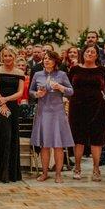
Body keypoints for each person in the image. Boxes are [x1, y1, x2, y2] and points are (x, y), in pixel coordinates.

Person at [68, 44, 105, 181]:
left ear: (97, 55)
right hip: (77, 107)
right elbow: (68, 87)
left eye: (93, 52)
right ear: (83, 53)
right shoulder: (74, 69)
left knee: (96, 139)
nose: (90, 53)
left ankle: (96, 168)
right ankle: (77, 167)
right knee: (78, 138)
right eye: (87, 51)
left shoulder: (102, 70)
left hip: (97, 107)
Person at [29, 51, 74, 183]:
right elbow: (30, 92)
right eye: (45, 59)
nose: (46, 61)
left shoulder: (62, 74)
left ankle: (58, 174)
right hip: (43, 112)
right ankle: (44, 173)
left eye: (49, 59)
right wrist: (37, 94)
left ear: (55, 61)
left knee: (58, 145)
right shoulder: (37, 74)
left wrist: (60, 87)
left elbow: (71, 91)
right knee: (45, 145)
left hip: (57, 112)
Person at [0, 47, 25, 183]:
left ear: (14, 57)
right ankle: (0, 173)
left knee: (11, 136)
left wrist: (7, 99)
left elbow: (20, 92)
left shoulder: (20, 72)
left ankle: (11, 173)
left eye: (10, 55)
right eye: (5, 56)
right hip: (0, 105)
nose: (7, 58)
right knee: (2, 136)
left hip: (12, 106)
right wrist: (2, 103)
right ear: (1, 57)